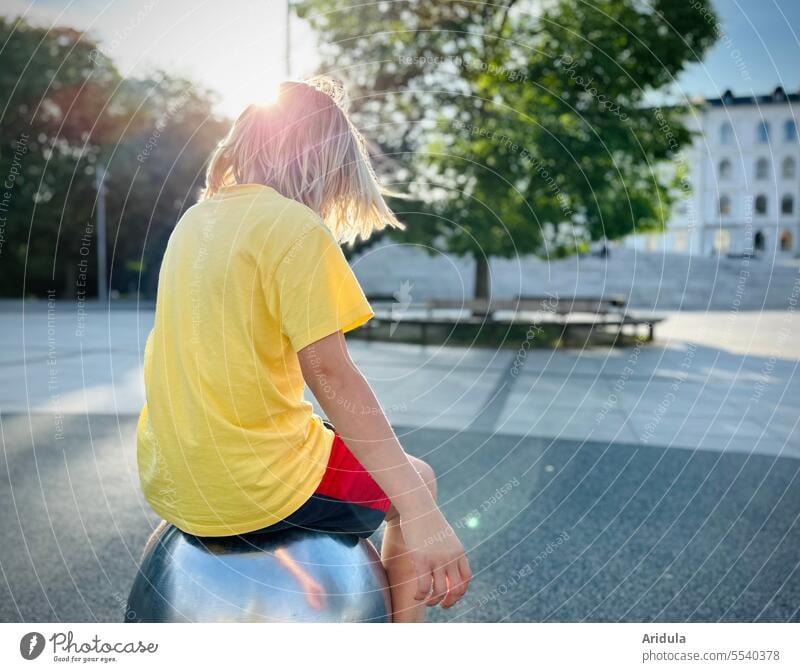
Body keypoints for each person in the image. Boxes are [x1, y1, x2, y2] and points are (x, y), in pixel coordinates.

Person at [135, 77, 471, 622]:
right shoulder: (293, 227)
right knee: (420, 481)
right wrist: (423, 513)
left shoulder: (195, 222)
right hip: (255, 485)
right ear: (329, 167)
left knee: (330, 443)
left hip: (176, 481)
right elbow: (331, 375)